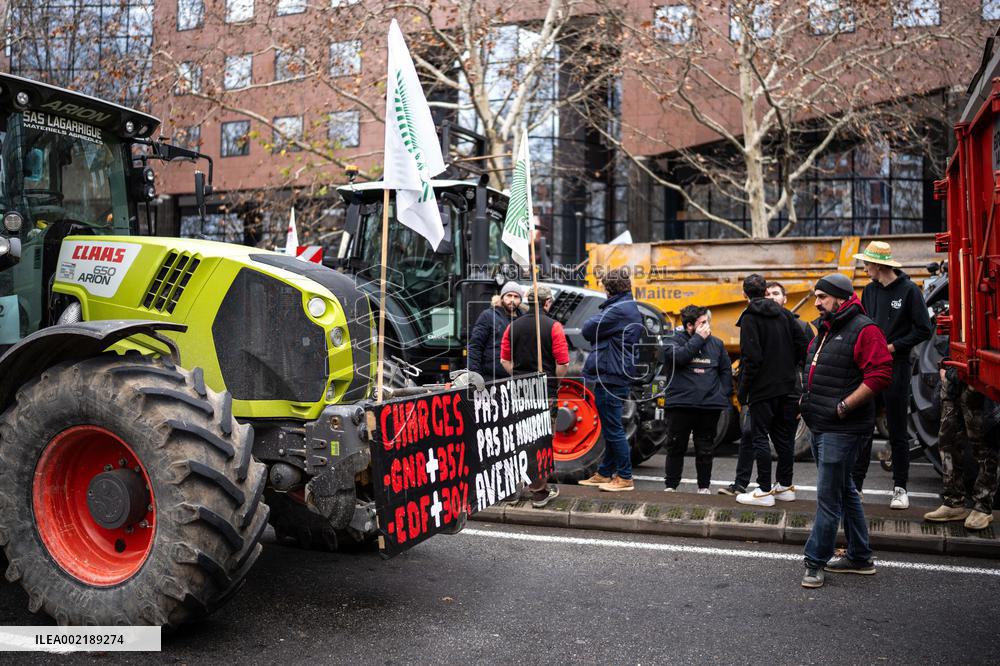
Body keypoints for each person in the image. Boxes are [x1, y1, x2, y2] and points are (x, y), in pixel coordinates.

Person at [800, 273, 892, 589]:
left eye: (822, 297)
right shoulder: (827, 329)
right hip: (821, 426)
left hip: (842, 429)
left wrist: (844, 407)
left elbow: (880, 374)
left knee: (828, 499)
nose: (817, 302)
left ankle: (814, 563)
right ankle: (860, 556)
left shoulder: (864, 330)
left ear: (840, 298)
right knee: (844, 491)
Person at [851, 240, 932, 509]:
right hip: (869, 368)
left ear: (878, 264)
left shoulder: (909, 290)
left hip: (896, 368)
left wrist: (893, 347)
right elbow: (862, 324)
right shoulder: (869, 292)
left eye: (866, 264)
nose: (864, 269)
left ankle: (900, 488)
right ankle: (856, 487)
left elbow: (924, 329)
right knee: (862, 428)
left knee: (897, 430)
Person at [720, 281, 811, 498]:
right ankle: (770, 486)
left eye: (776, 293)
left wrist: (743, 392)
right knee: (763, 436)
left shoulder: (754, 318)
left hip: (772, 389)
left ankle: (765, 489)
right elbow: (802, 351)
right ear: (763, 293)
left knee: (766, 437)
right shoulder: (787, 318)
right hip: (785, 387)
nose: (771, 297)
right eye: (768, 293)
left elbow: (752, 358)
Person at [500, 285, 570, 508]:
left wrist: (521, 378)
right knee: (540, 441)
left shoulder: (512, 326)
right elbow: (563, 363)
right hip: (544, 393)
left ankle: (511, 491)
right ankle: (539, 493)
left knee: (517, 439)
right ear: (548, 303)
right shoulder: (554, 327)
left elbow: (504, 361)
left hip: (518, 392)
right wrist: (553, 382)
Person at [577, 268, 643, 492]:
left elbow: (587, 329)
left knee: (613, 428)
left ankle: (625, 477)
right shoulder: (625, 307)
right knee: (611, 427)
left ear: (608, 289)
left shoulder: (617, 311)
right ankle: (605, 473)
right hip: (615, 373)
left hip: (610, 375)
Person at [661, 305, 732, 494]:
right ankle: (671, 486)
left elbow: (725, 370)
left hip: (708, 406)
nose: (707, 326)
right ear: (690, 326)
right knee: (676, 446)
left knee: (705, 448)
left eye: (707, 322)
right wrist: (698, 339)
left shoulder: (716, 344)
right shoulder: (672, 341)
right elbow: (680, 357)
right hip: (680, 405)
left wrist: (722, 394)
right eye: (702, 323)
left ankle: (704, 487)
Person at [923, 360, 1000, 530]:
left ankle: (983, 507)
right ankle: (953, 502)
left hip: (980, 375)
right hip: (956, 373)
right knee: (947, 442)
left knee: (983, 444)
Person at [467, 281, 522, 382]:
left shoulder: (523, 319)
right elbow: (475, 347)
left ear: (520, 300)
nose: (512, 300)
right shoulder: (488, 316)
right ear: (502, 297)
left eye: (516, 296)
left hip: (517, 379)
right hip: (491, 378)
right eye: (509, 295)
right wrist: (475, 377)